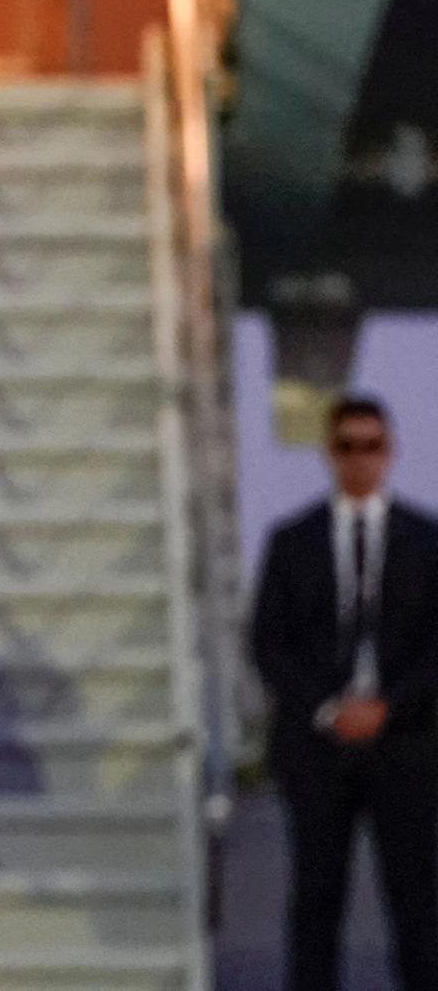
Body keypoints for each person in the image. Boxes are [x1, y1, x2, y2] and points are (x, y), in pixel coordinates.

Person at [251, 397, 438, 991]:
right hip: (317, 748)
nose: (360, 459)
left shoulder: (427, 540)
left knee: (417, 903)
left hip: (406, 746)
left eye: (372, 445)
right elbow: (267, 642)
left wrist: (388, 707)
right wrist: (330, 709)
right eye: (348, 446)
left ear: (390, 451)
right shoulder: (291, 540)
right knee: (315, 900)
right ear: (330, 452)